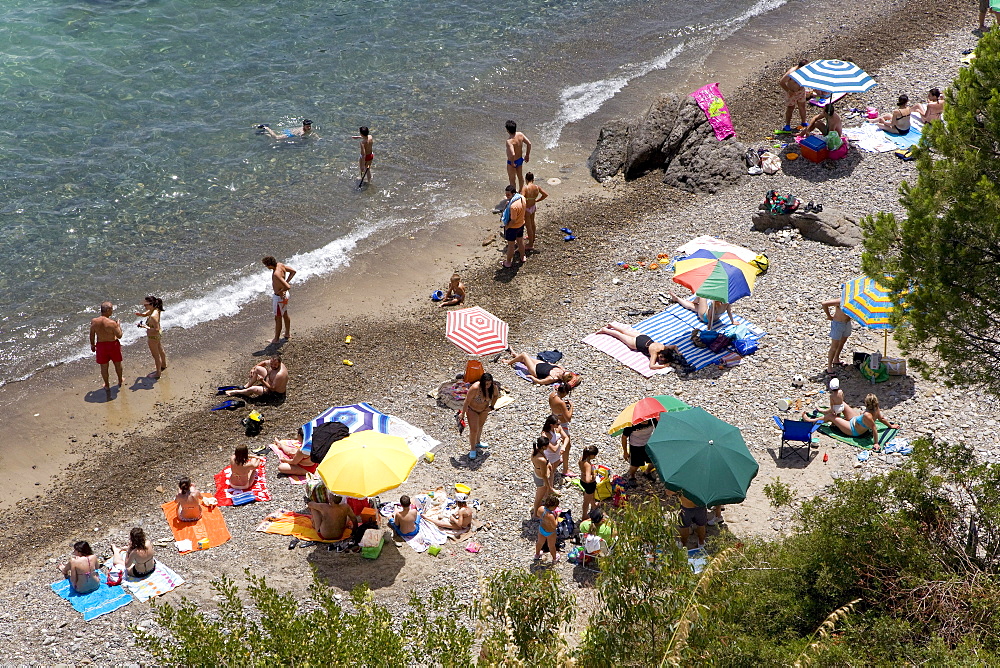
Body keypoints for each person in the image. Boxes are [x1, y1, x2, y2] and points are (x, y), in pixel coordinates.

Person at [596, 323, 689, 370]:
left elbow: (674, 346)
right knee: (619, 336)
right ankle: (605, 330)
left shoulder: (664, 347)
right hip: (636, 344)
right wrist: (665, 366)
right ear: (661, 354)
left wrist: (678, 352)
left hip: (644, 338)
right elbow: (651, 366)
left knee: (625, 331)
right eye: (661, 358)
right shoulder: (654, 353)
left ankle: (612, 325)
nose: (660, 359)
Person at [823, 393, 899, 445]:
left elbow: (874, 428)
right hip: (855, 420)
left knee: (831, 417)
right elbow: (881, 419)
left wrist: (876, 443)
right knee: (841, 403)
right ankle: (828, 412)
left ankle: (816, 421)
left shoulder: (867, 415)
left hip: (853, 430)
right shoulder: (876, 409)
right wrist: (890, 426)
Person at [460, 372, 500, 460]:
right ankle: (472, 449)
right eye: (486, 384)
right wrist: (462, 414)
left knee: (480, 426)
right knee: (474, 430)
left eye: (489, 383)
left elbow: (496, 395)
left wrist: (492, 407)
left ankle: (477, 442)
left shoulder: (493, 388)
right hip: (472, 409)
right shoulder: (475, 388)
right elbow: (467, 401)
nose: (488, 386)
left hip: (484, 410)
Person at [89, 301, 124, 395]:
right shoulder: (112, 323)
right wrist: (119, 325)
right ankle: (120, 380)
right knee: (117, 364)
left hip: (101, 346)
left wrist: (92, 344)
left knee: (104, 367)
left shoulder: (94, 321)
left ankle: (107, 385)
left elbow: (92, 334)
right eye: (112, 309)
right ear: (108, 310)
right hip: (113, 345)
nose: (112, 311)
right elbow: (119, 335)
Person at [262, 256, 296, 343]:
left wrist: (282, 290)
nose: (266, 267)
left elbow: (288, 287)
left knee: (278, 318)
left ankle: (276, 339)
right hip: (285, 296)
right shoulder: (280, 265)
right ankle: (287, 333)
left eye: (266, 266)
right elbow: (293, 271)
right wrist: (286, 282)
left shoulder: (276, 274)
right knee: (285, 313)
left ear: (269, 265)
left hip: (279, 298)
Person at [135, 295, 167, 378]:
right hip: (158, 335)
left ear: (151, 304)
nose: (144, 306)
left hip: (153, 336)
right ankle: (163, 364)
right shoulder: (156, 309)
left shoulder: (153, 316)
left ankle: (158, 373)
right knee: (160, 349)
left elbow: (156, 329)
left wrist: (145, 327)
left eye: (146, 305)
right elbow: (148, 312)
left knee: (155, 355)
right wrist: (142, 314)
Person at [548, 383, 574, 476]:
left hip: (553, 419)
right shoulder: (561, 403)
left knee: (555, 441)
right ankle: (565, 469)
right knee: (567, 446)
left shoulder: (552, 395)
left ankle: (556, 460)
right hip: (561, 424)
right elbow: (568, 418)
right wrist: (571, 407)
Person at [821, 297, 853, 374]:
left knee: (842, 342)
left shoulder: (853, 301)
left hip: (847, 323)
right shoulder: (841, 300)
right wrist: (829, 316)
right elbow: (824, 303)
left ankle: (836, 359)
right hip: (838, 324)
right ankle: (829, 366)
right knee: (834, 346)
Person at [669, 292, 733, 329]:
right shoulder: (727, 303)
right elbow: (729, 312)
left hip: (704, 317)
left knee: (701, 296)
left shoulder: (715, 304)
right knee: (695, 307)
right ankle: (677, 299)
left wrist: (709, 328)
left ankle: (692, 301)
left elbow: (710, 316)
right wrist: (732, 322)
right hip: (716, 319)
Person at [506, 352, 574, 386]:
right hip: (542, 364)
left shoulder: (552, 378)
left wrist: (532, 377)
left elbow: (540, 382)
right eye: (564, 371)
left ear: (561, 379)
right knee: (525, 359)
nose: (561, 372)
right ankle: (515, 355)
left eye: (562, 374)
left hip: (535, 370)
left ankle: (509, 362)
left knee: (524, 355)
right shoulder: (561, 369)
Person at [622, 418, 657, 483]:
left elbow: (658, 429)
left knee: (654, 462)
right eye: (642, 420)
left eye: (646, 420)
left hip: (648, 444)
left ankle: (647, 472)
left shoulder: (652, 420)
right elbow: (624, 437)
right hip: (636, 446)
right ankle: (632, 476)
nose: (645, 422)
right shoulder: (631, 424)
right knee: (635, 465)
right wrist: (625, 452)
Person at [500, 184, 527, 268]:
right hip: (521, 224)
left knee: (511, 245)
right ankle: (522, 256)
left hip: (513, 227)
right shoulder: (522, 198)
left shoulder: (513, 206)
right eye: (506, 194)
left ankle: (508, 262)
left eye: (508, 195)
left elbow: (513, 220)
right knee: (520, 241)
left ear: (513, 193)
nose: (506, 196)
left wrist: (507, 227)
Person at [520, 172, 548, 251]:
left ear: (526, 179)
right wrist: (537, 200)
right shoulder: (536, 187)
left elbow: (522, 198)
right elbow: (545, 194)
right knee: (533, 222)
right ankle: (532, 237)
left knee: (528, 226)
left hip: (527, 209)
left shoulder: (525, 188)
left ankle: (530, 244)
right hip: (533, 207)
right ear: (533, 179)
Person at [779, 60, 809, 132]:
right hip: (792, 92)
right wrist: (788, 91)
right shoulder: (791, 73)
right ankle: (787, 125)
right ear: (799, 67)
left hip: (801, 91)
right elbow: (781, 82)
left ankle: (804, 122)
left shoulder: (806, 71)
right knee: (790, 108)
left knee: (802, 106)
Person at [505, 119, 532, 192]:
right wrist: (527, 155)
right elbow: (529, 144)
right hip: (520, 160)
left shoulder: (509, 141)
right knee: (520, 177)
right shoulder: (520, 134)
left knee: (512, 179)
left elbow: (512, 153)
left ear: (507, 130)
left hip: (512, 162)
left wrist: (512, 162)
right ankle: (521, 191)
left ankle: (514, 194)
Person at [540, 416, 570, 481]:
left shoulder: (558, 428)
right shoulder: (545, 434)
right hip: (549, 455)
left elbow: (566, 437)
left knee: (553, 469)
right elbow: (553, 449)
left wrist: (564, 446)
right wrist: (559, 442)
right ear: (551, 425)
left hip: (557, 454)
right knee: (550, 472)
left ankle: (550, 483)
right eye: (557, 424)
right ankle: (548, 486)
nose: (559, 425)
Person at [531, 437, 555, 517]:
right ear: (544, 446)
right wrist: (549, 487)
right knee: (538, 498)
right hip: (541, 479)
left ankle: (537, 509)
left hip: (536, 474)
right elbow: (544, 475)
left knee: (540, 496)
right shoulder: (541, 460)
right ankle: (535, 514)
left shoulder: (536, 451)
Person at [534, 493, 560, 564]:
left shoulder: (540, 508)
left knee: (539, 542)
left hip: (542, 528)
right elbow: (555, 525)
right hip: (550, 532)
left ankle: (537, 554)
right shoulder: (550, 516)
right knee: (551, 546)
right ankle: (554, 558)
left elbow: (538, 515)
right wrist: (557, 516)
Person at [579, 445, 599, 520]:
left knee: (591, 495)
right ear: (591, 455)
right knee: (586, 501)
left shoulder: (581, 459)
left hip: (582, 480)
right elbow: (588, 480)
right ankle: (584, 516)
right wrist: (593, 476)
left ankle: (593, 505)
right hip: (588, 484)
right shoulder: (587, 465)